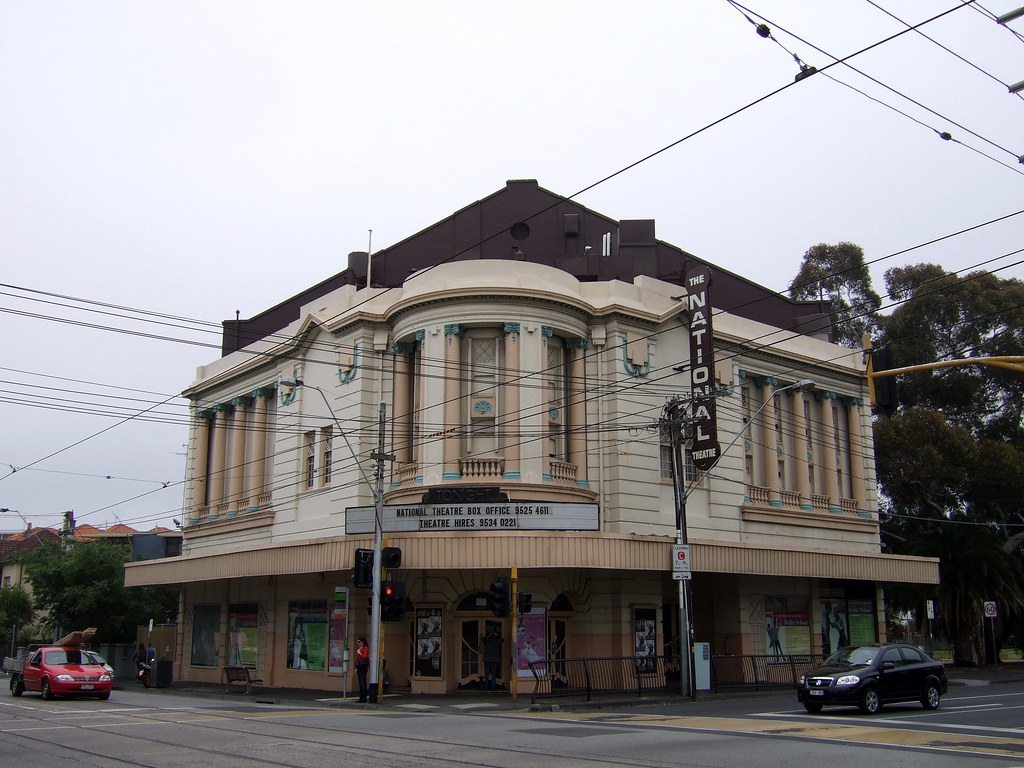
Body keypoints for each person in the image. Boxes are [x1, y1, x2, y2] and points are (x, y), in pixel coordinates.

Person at [355, 636, 370, 703]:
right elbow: (359, 659)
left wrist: (359, 653)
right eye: (357, 642)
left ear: (362, 642)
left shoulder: (365, 648)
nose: (358, 643)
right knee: (360, 683)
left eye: (359, 642)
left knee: (362, 682)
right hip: (360, 667)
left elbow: (365, 657)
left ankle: (364, 698)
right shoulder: (360, 648)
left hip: (363, 667)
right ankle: (361, 698)